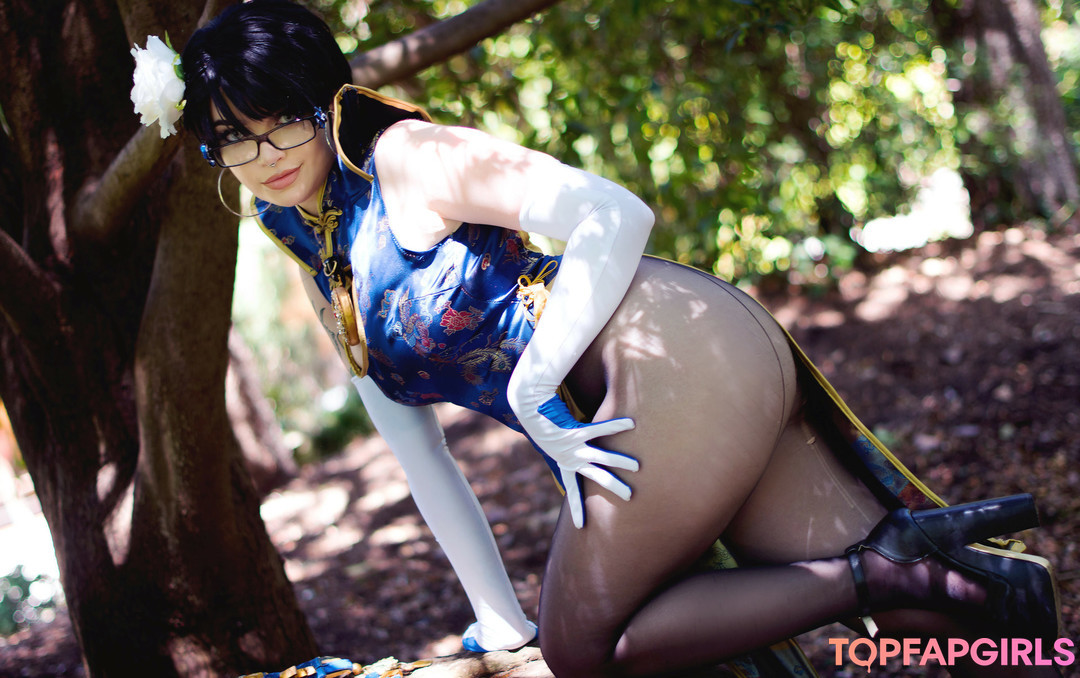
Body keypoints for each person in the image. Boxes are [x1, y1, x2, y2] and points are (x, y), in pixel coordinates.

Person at [171, 2, 1061, 676]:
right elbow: (419, 451)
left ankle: (882, 572)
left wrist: (533, 385)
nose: (266, 158)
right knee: (943, 620)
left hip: (667, 351)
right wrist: (498, 621)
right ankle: (941, 589)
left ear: (324, 99)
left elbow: (613, 212)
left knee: (584, 648)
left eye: (281, 121)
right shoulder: (304, 233)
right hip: (663, 390)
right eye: (234, 143)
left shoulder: (409, 157)